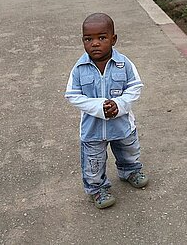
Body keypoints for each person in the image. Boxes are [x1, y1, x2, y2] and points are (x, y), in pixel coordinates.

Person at [64, 13, 149, 210]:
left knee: (128, 150)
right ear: (83, 41)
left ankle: (130, 171)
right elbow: (72, 95)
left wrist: (119, 105)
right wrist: (99, 107)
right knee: (93, 161)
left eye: (101, 38)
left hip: (122, 125)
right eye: (88, 39)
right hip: (93, 129)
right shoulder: (79, 68)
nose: (95, 43)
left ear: (113, 39)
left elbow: (135, 88)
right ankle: (97, 188)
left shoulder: (124, 63)